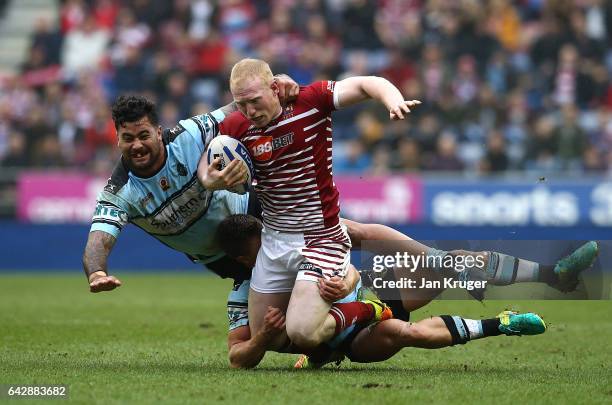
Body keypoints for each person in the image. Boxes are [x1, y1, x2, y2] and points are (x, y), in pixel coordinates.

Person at [199, 58, 423, 351]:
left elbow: (367, 83)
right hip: (274, 241)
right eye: (241, 105)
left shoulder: (311, 101)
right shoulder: (237, 126)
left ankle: (369, 307)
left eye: (254, 101)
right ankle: (330, 336)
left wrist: (393, 100)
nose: (250, 111)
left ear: (275, 88)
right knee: (268, 337)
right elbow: (208, 161)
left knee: (302, 331)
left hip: (321, 237)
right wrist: (209, 179)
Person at [216, 214, 548, 369]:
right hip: (353, 335)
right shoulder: (244, 294)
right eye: (265, 251)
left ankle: (550, 273)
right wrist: (260, 340)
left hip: (371, 293)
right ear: (244, 260)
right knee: (402, 331)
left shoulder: (293, 247)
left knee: (453, 263)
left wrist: (345, 283)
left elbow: (349, 268)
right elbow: (236, 356)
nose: (274, 253)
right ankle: (501, 323)